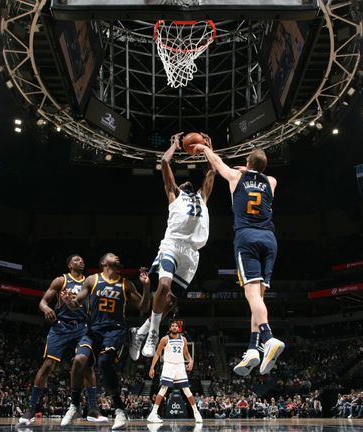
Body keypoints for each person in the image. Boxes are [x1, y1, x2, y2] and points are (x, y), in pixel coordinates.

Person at [193, 143, 284, 375]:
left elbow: (216, 163)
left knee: (251, 294)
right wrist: (250, 170)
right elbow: (262, 176)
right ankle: (254, 348)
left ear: (247, 163)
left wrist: (204, 147)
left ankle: (268, 337)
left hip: (247, 237)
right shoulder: (271, 182)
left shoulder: (235, 176)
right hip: (270, 239)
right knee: (259, 297)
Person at [133, 132, 215, 360]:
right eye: (183, 181)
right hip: (172, 245)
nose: (187, 181)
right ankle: (152, 333)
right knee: (164, 285)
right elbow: (164, 162)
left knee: (171, 300)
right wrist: (174, 145)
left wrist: (209, 148)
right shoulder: (174, 194)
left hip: (192, 254)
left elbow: (211, 171)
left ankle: (141, 331)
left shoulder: (202, 196)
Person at [61, 253, 151, 429]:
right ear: (103, 262)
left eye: (118, 256)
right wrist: (67, 301)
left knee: (103, 362)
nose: (117, 257)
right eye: (113, 256)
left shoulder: (126, 284)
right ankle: (75, 405)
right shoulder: (92, 280)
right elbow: (76, 303)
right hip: (93, 329)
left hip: (115, 330)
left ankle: (119, 410)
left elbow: (144, 306)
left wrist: (146, 287)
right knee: (79, 360)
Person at [17, 254, 106, 426]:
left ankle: (93, 409)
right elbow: (43, 301)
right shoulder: (61, 281)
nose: (81, 261)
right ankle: (30, 409)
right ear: (69, 265)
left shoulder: (90, 282)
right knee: (48, 365)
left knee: (87, 365)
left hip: (82, 327)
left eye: (82, 259)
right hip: (61, 327)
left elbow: (93, 305)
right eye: (77, 260)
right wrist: (46, 309)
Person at [146, 320, 202, 424]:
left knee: (186, 390)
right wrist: (152, 367)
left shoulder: (183, 339)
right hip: (169, 365)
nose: (175, 327)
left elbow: (186, 353)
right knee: (163, 389)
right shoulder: (165, 339)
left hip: (180, 366)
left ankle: (196, 412)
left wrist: (191, 360)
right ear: (170, 328)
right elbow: (157, 353)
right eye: (172, 326)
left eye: (176, 326)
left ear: (179, 328)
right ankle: (153, 413)